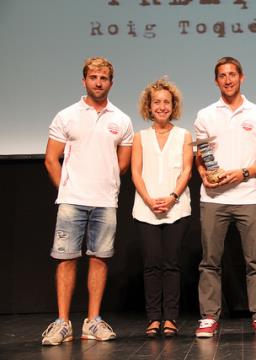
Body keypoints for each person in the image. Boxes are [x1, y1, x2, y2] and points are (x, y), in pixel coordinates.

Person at [42, 57, 133, 345]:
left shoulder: (121, 119)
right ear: (84, 81)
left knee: (100, 259)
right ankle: (62, 322)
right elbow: (50, 159)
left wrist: (102, 182)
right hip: (72, 201)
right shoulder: (66, 115)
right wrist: (67, 189)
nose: (98, 82)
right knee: (66, 259)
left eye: (103, 78)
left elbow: (123, 164)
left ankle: (92, 321)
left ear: (111, 82)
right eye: (93, 77)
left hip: (105, 202)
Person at [194, 56, 256, 338]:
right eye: (222, 75)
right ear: (216, 81)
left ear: (242, 77)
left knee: (255, 260)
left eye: (232, 74)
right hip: (213, 198)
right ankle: (208, 317)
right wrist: (204, 173)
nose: (228, 80)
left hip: (248, 196)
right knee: (210, 261)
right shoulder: (205, 114)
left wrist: (243, 173)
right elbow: (200, 156)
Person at [131, 78, 193, 337]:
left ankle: (170, 318)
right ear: (149, 105)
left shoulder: (184, 135)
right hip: (146, 210)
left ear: (173, 105)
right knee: (151, 265)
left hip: (176, 209)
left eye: (166, 102)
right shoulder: (139, 137)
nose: (162, 106)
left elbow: (187, 170)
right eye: (157, 102)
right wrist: (148, 199)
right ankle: (154, 318)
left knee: (171, 264)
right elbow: (135, 172)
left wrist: (171, 197)